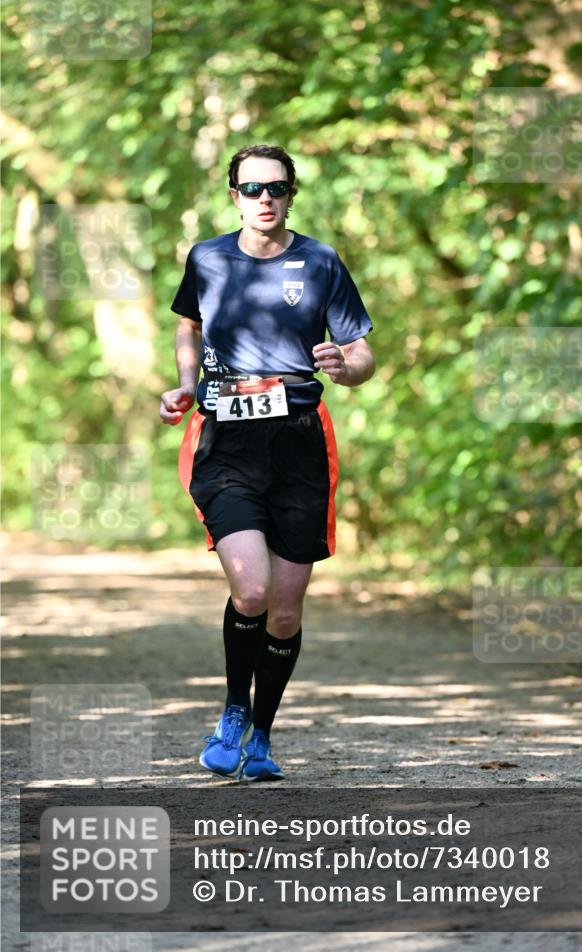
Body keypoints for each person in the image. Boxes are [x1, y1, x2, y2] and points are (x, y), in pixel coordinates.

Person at [159, 144, 374, 782]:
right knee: (249, 588)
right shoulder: (208, 257)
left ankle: (261, 734)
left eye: (276, 188)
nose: (264, 199)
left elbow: (361, 353)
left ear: (292, 193)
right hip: (226, 437)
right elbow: (188, 325)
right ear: (233, 196)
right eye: (251, 188)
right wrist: (186, 383)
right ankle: (231, 708)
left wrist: (346, 366)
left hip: (300, 440)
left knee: (284, 608)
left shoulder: (320, 261)